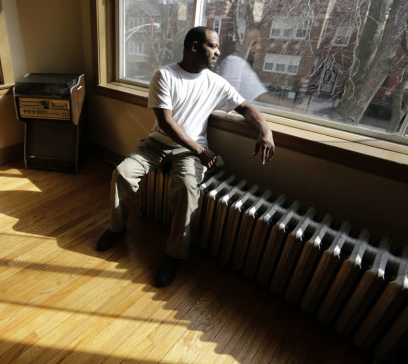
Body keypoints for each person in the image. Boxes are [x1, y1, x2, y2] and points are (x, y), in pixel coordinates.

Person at [96, 26, 275, 287]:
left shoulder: (214, 82)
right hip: (157, 144)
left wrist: (265, 130)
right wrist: (200, 149)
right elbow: (166, 123)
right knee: (122, 173)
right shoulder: (165, 75)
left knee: (188, 187)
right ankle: (116, 228)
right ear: (193, 47)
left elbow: (246, 107)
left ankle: (173, 254)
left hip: (188, 151)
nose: (218, 51)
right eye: (212, 46)